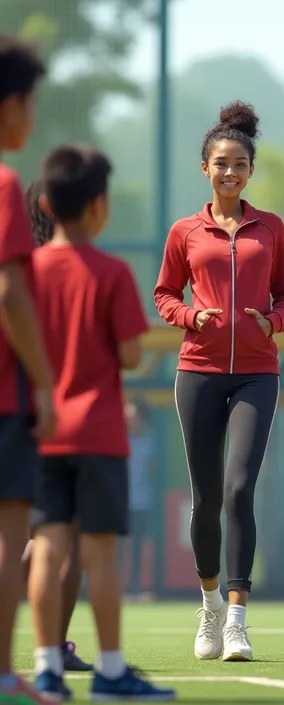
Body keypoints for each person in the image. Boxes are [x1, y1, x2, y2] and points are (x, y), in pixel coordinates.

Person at [27, 144, 175, 702]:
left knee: (47, 547)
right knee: (100, 554)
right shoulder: (111, 272)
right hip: (100, 433)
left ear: (44, 203)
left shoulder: (29, 273)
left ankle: (46, 668)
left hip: (45, 433)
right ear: (100, 207)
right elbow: (133, 354)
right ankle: (111, 672)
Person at [154, 100, 284, 662]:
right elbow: (165, 293)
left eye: (239, 163)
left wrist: (273, 320)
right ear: (205, 168)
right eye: (221, 163)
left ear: (250, 170)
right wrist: (192, 317)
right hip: (198, 374)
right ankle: (210, 603)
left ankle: (237, 618)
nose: (230, 172)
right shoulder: (185, 231)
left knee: (240, 489)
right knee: (206, 497)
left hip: (257, 375)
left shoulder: (272, 229)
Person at [0, 34, 56, 705]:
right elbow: (11, 293)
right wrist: (44, 381)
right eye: (32, 102)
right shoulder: (7, 183)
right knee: (11, 527)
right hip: (5, 393)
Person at [22, 179, 92, 673]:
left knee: (36, 538)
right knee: (66, 541)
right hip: (66, 420)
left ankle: (54, 650)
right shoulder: (88, 269)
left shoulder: (20, 271)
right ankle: (55, 647)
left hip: (26, 413)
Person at [123, 399, 155, 599]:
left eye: (135, 417)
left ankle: (136, 588)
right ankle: (116, 589)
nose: (131, 421)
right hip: (121, 503)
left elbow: (153, 470)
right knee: (116, 548)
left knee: (138, 547)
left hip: (143, 503)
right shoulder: (122, 439)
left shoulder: (151, 441)